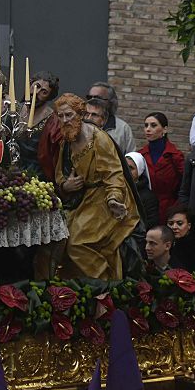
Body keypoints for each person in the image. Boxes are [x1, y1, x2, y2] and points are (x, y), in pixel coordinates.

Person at [53, 94, 138, 280]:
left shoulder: (98, 139)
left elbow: (114, 173)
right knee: (60, 238)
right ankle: (75, 287)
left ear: (80, 114)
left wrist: (114, 198)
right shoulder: (66, 141)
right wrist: (66, 186)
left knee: (77, 242)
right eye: (60, 116)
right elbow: (60, 174)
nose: (65, 120)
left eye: (69, 115)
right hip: (81, 199)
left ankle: (104, 282)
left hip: (105, 198)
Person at [138, 112, 184, 221]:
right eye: (146, 126)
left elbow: (184, 185)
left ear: (164, 129)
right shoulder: (140, 155)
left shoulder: (175, 156)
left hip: (170, 209)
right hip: (146, 208)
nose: (148, 129)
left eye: (153, 125)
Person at [86, 82, 136, 155]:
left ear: (110, 102)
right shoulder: (81, 124)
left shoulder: (123, 129)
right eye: (89, 97)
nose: (92, 101)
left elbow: (131, 158)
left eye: (97, 98)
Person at [167, 204, 195, 278]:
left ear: (189, 225)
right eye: (170, 223)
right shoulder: (166, 243)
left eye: (179, 223)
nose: (174, 227)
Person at [124, 152, 159, 230]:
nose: (126, 171)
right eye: (124, 167)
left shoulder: (148, 197)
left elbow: (150, 224)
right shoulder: (114, 189)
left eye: (131, 168)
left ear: (139, 171)